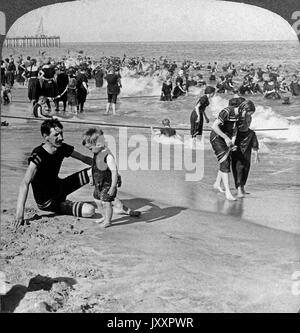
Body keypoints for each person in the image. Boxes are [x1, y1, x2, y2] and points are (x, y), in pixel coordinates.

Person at [14, 119, 95, 230]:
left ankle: (114, 203)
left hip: (60, 187)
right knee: (90, 211)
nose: (61, 137)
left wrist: (108, 168)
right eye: (56, 135)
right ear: (46, 136)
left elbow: (84, 158)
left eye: (61, 133)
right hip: (47, 202)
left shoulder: (62, 148)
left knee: (95, 171)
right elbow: (25, 183)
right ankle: (65, 205)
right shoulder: (38, 154)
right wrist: (19, 213)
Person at [82, 128, 140, 228]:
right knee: (97, 201)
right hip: (98, 182)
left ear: (99, 144)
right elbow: (93, 166)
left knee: (106, 202)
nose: (91, 151)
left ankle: (108, 221)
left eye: (91, 148)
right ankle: (104, 216)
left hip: (107, 184)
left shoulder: (107, 156)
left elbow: (114, 171)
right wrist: (91, 178)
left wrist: (113, 187)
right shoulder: (96, 153)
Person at [210, 98, 255, 200]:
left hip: (227, 138)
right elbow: (214, 126)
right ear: (244, 109)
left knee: (225, 161)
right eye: (248, 114)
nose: (248, 117)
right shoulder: (226, 111)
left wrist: (232, 143)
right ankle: (228, 193)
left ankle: (217, 184)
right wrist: (226, 138)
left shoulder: (239, 115)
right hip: (217, 138)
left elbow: (234, 130)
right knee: (225, 162)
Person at [232, 113, 259, 198]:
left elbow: (255, 145)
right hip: (237, 156)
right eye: (245, 122)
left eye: (249, 121)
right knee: (238, 171)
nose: (247, 123)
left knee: (245, 171)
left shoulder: (251, 133)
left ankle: (242, 188)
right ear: (241, 122)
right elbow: (231, 141)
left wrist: (256, 155)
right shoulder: (236, 132)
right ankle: (239, 189)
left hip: (247, 157)